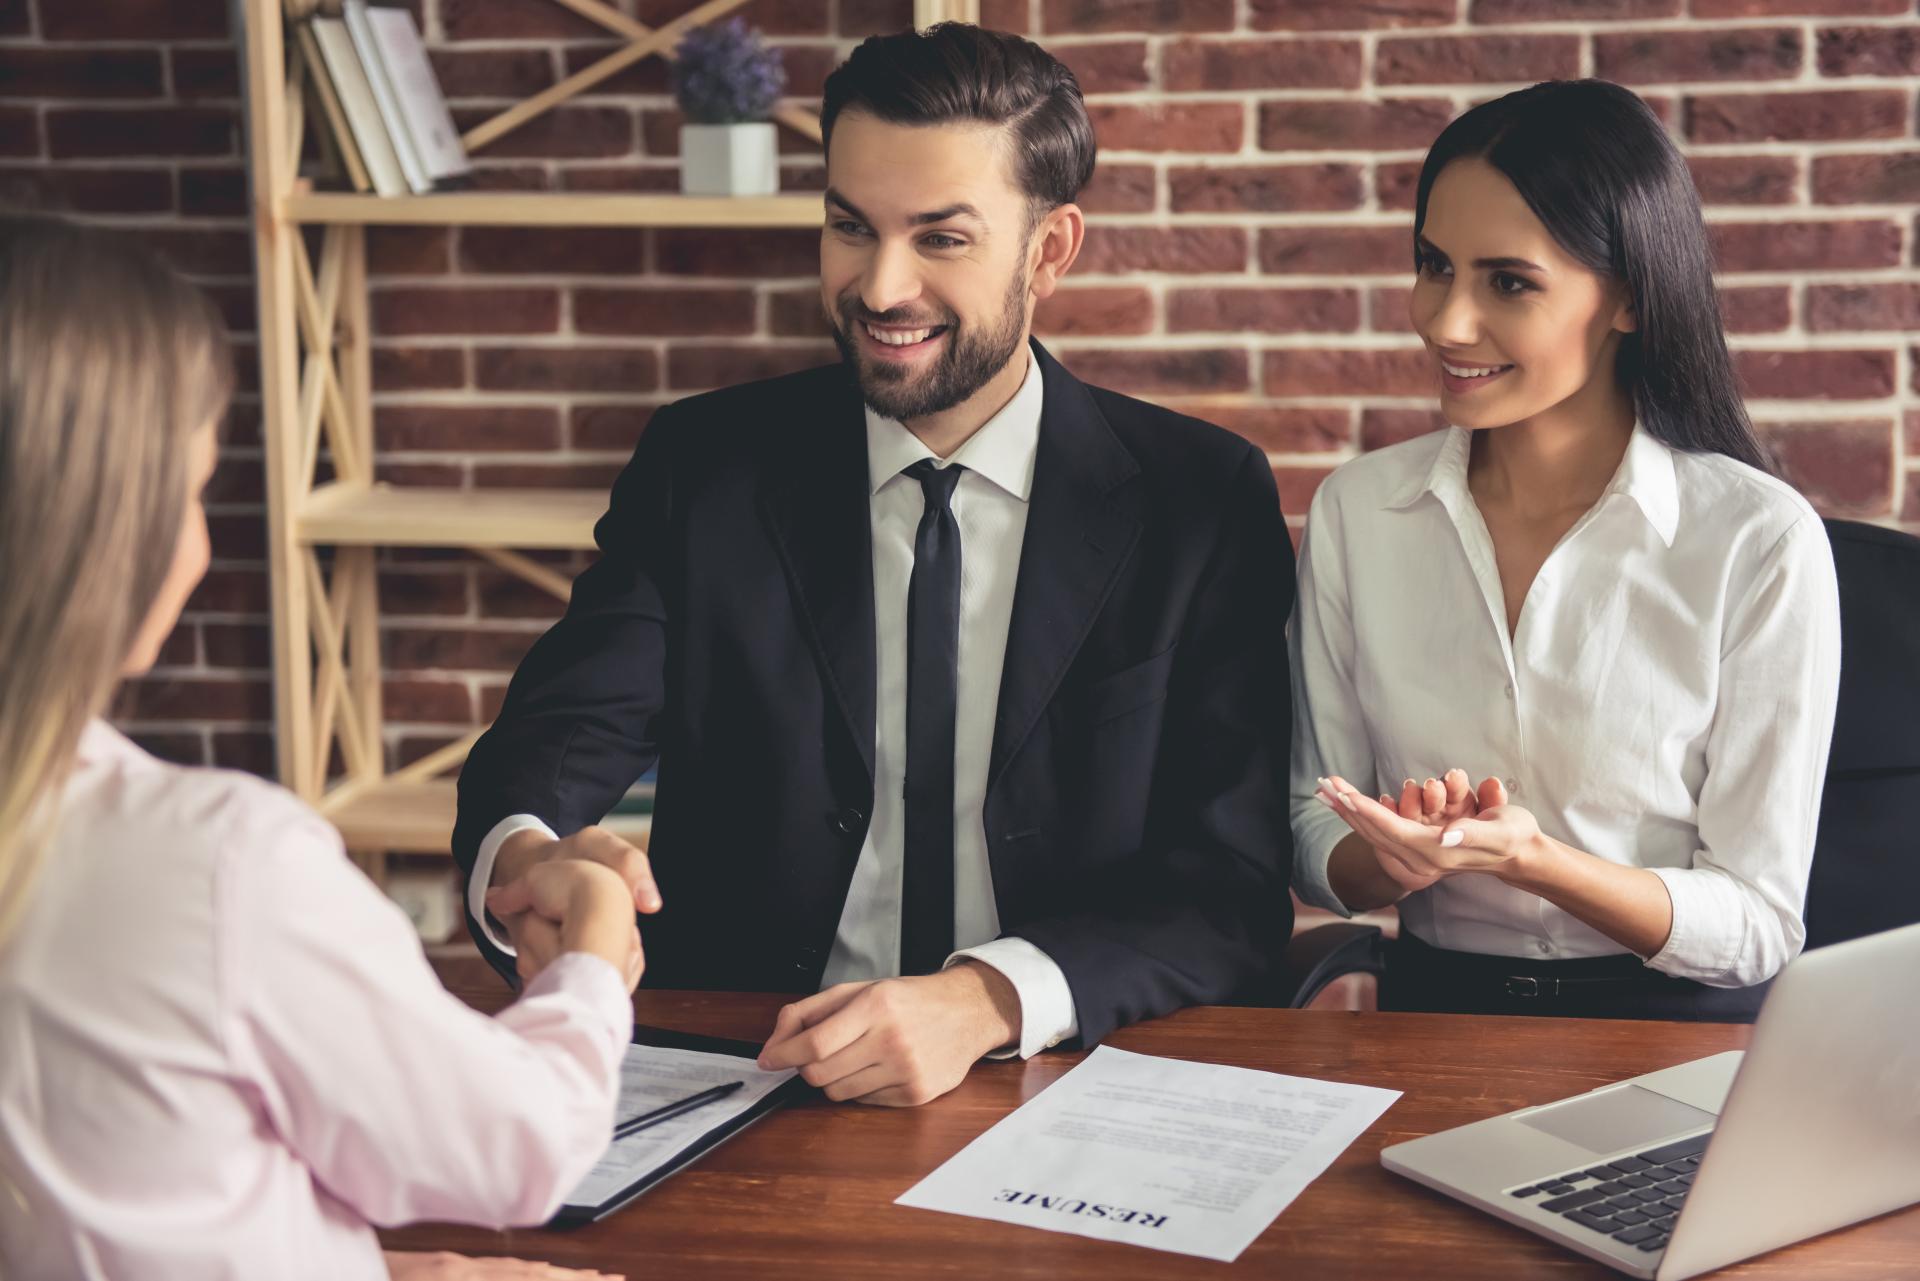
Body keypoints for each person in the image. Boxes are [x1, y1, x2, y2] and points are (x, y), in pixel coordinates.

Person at [455, 23, 1295, 1106]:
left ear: (1050, 251)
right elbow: (551, 743)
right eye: (851, 227)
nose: (880, 287)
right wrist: (527, 861)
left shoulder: (1201, 498)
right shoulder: (703, 467)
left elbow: (1228, 888)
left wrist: (990, 998)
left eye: (941, 239)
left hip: (1066, 1071)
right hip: (754, 1068)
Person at [0, 214, 642, 1280]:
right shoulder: (214, 865)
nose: (200, 542)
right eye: (193, 491)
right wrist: (592, 962)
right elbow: (516, 1149)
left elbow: (128, 1207)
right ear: (98, 525)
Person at [1289, 80, 1842, 1021]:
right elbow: (1312, 822)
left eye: (1508, 282)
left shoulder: (1759, 539)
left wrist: (1537, 862)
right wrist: (1387, 857)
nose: (1445, 321)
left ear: (1627, 298)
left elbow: (1757, 920)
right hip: (1432, 1021)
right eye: (1434, 265)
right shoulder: (1358, 511)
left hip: (1671, 1034)